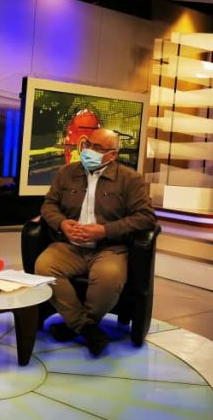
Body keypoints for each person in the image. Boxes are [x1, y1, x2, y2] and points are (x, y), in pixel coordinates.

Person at [36, 128, 156, 357]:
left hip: (109, 248)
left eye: (97, 148)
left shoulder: (130, 179)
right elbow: (49, 205)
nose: (89, 151)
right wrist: (62, 224)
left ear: (112, 155)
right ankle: (86, 328)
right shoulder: (66, 173)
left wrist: (105, 231)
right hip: (70, 246)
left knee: (109, 278)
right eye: (88, 145)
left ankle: (77, 325)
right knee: (44, 267)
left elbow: (146, 217)